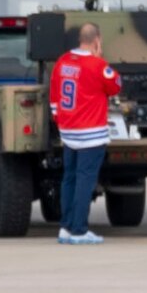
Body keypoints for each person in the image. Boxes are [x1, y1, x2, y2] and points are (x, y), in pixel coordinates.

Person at [51, 21, 122, 246]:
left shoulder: (62, 63)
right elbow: (115, 85)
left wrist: (61, 122)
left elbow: (54, 98)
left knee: (69, 179)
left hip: (68, 132)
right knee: (85, 180)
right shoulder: (97, 65)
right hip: (91, 134)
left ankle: (66, 227)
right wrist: (100, 57)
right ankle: (80, 230)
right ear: (96, 40)